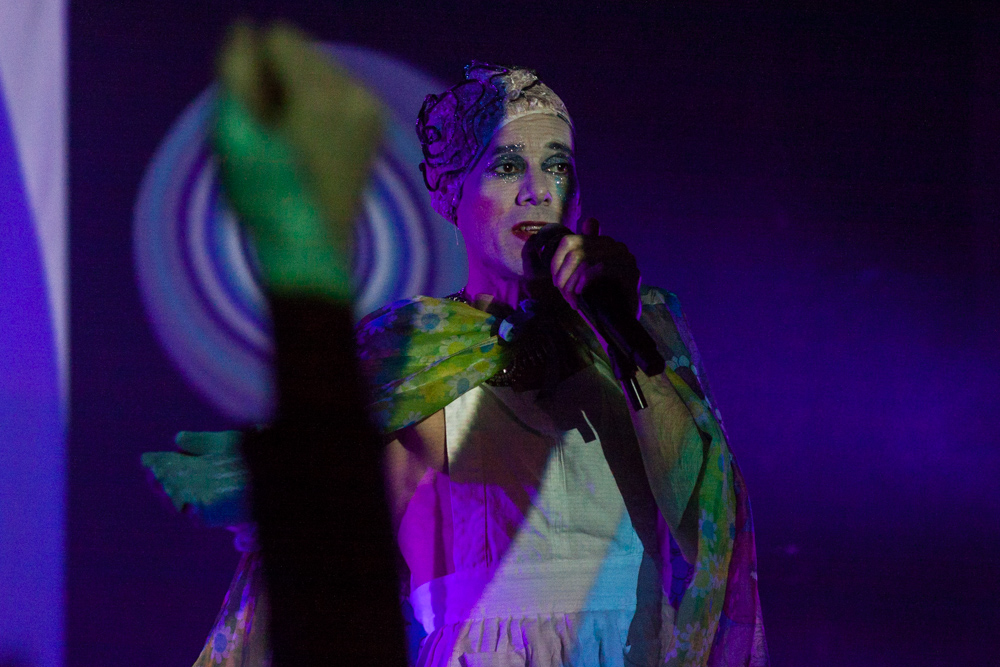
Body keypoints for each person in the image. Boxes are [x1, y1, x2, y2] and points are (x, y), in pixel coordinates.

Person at [144, 35, 768, 667]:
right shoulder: (409, 357)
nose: (537, 189)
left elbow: (709, 527)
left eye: (557, 164)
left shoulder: (639, 327)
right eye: (505, 166)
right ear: (450, 191)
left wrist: (621, 330)